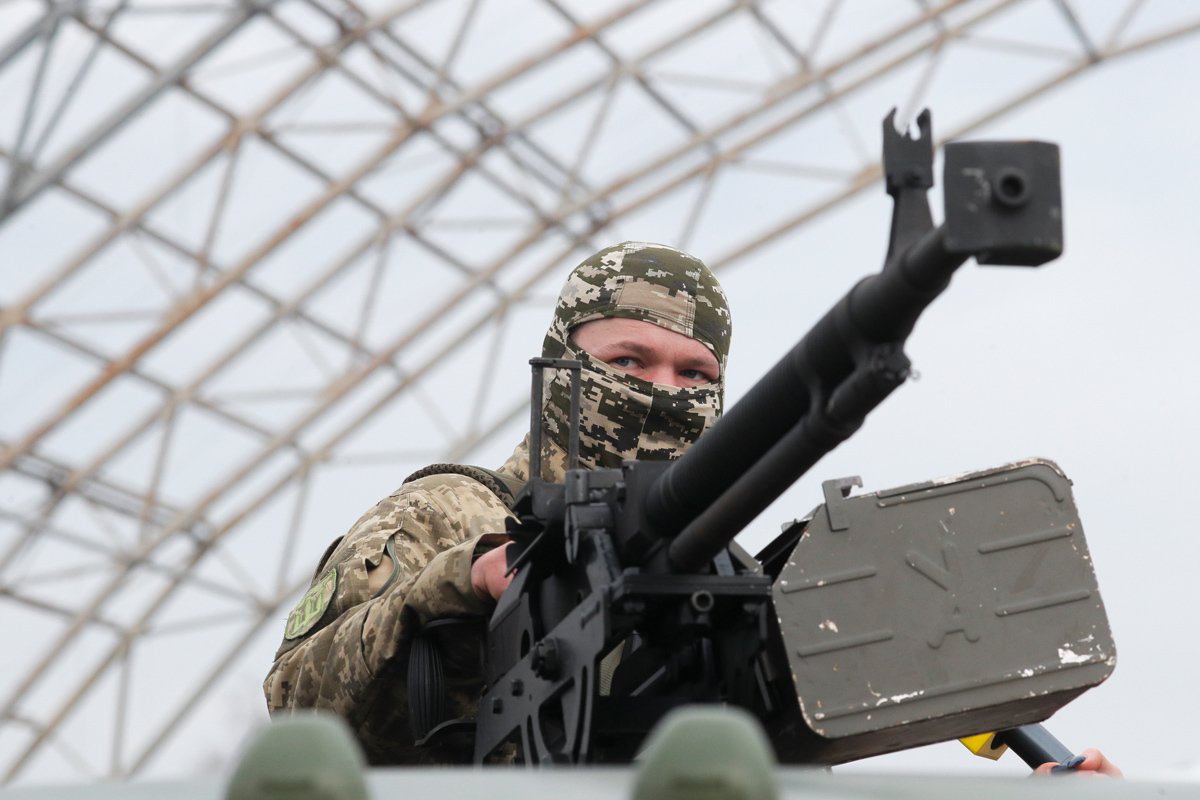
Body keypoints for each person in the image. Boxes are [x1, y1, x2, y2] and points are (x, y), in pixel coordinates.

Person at [264, 241, 1119, 776]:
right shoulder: (451, 512)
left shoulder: (736, 582)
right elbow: (298, 702)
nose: (660, 394)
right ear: (561, 368)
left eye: (693, 376)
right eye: (628, 362)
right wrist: (459, 587)